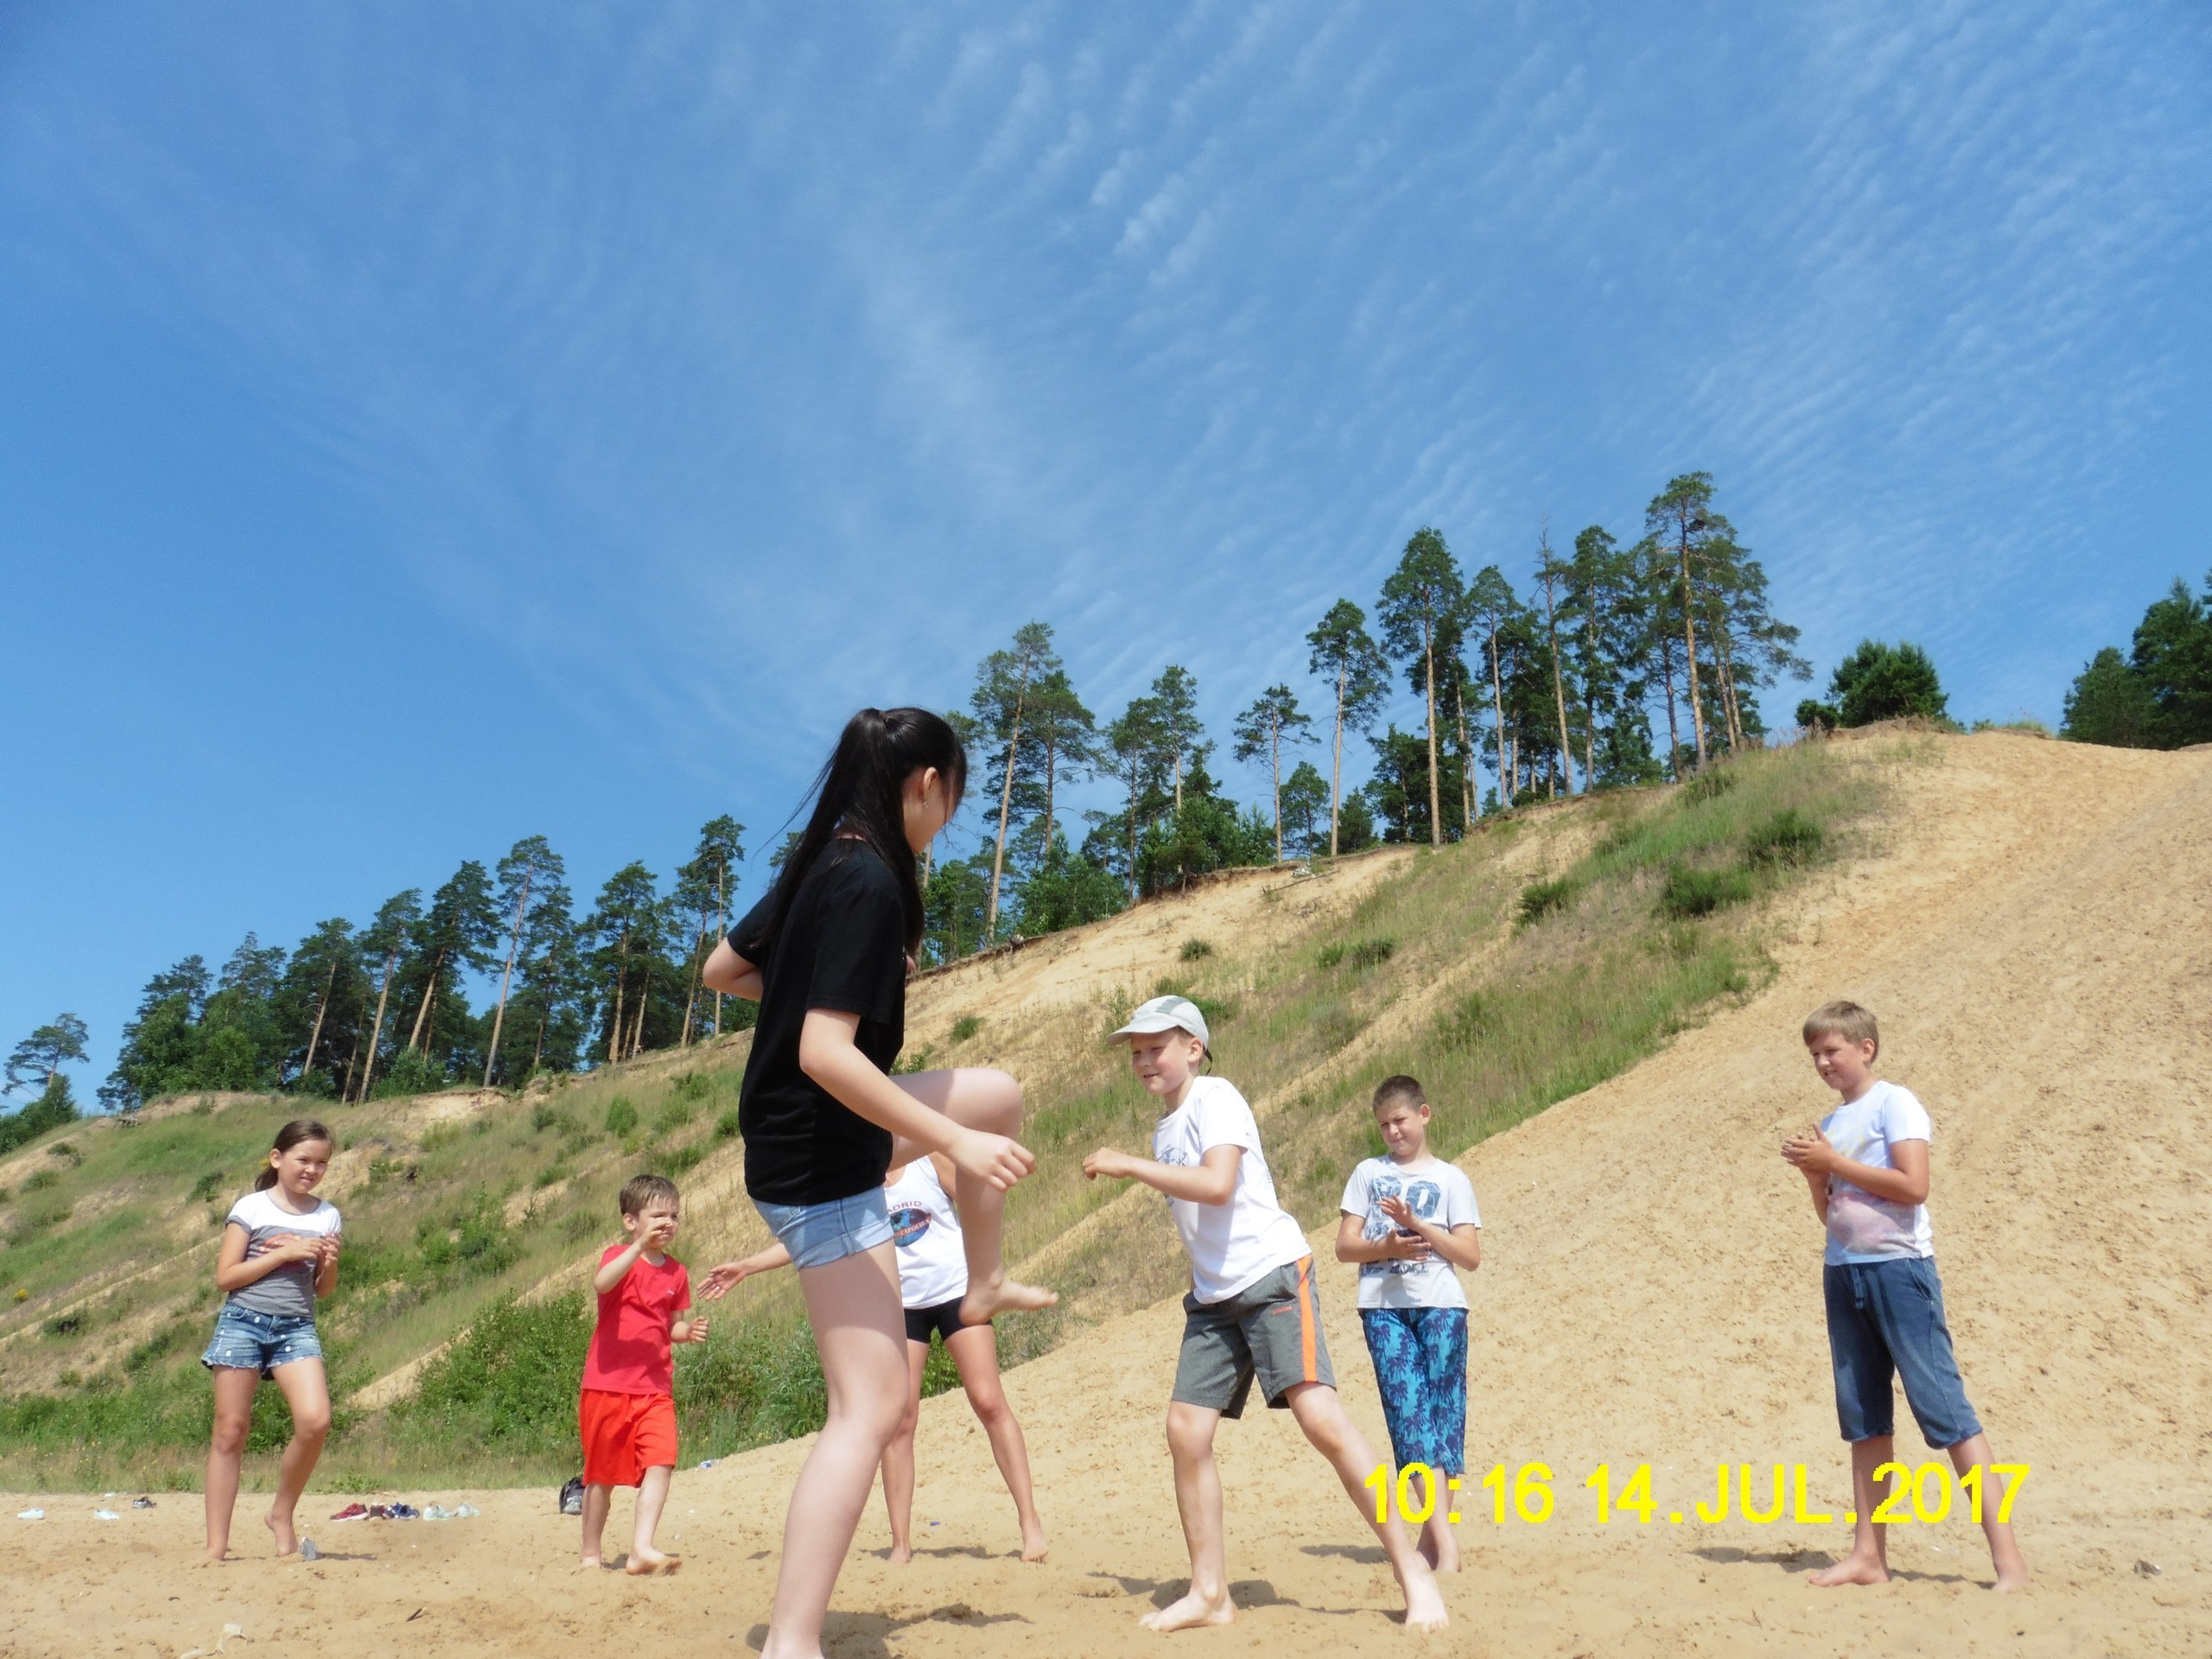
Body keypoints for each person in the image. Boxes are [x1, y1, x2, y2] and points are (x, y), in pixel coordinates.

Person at [697, 706, 1053, 1659]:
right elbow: (823, 1051)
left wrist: (806, 976)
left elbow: (720, 969)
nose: (948, 817)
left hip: (810, 1135)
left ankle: (982, 1284)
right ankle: (792, 1641)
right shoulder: (862, 881)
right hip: (819, 1161)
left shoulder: (823, 863)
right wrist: (948, 1143)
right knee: (872, 1408)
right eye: (954, 798)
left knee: (1001, 1096)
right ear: (925, 782)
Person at [1082, 996, 1448, 1634]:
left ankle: (1414, 1575)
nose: (1142, 1059)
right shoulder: (1165, 1129)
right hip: (1214, 1297)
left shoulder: (1215, 1096)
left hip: (1273, 1275)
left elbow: (1219, 1183)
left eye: (1155, 1046)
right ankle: (1210, 1593)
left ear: (1193, 1048)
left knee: (1321, 1418)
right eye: (1135, 1051)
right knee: (1186, 1432)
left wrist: (1128, 1166)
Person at [1782, 1001, 2030, 1592]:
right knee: (1864, 1419)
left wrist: (1833, 1161)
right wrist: (1817, 1178)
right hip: (1845, 1273)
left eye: (1832, 1051)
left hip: (1900, 1271)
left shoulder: (1896, 1102)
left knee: (1946, 1412)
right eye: (1814, 1054)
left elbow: (1913, 1187)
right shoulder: (1833, 1122)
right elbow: (1834, 1216)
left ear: (1865, 1047)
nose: (1822, 1062)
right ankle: (1869, 1555)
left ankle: (2010, 1565)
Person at [707, 1151, 1051, 1565]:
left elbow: (978, 1203)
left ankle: (1030, 1522)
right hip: (901, 1305)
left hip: (957, 1291)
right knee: (900, 1419)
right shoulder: (856, 1181)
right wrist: (748, 1265)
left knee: (989, 1400)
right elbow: (811, 1235)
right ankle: (901, 1544)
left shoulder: (927, 1159)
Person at [1334, 1074, 1481, 1573]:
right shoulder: (1366, 1173)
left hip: (1442, 1305)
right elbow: (1343, 1246)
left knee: (1443, 1424)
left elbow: (1470, 1255)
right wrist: (1387, 1248)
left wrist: (1418, 1226)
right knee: (1408, 1419)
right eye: (1383, 1126)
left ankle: (1434, 1542)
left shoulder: (1451, 1179)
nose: (1392, 1132)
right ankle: (1446, 1543)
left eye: (1399, 1121)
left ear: (1424, 1114)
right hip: (1382, 1307)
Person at [201, 1118, 342, 1562]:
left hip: (296, 1327)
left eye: (322, 1163)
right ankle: (216, 1546)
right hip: (242, 1322)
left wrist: (331, 1264)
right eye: (304, 1159)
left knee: (315, 1421)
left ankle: (281, 1513)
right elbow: (226, 1277)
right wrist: (282, 1253)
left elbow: (321, 1289)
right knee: (230, 1432)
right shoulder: (252, 1207)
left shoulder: (327, 1215)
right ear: (277, 1158)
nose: (312, 1170)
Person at [579, 1173, 708, 1574]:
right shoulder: (618, 1256)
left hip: (655, 1387)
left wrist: (687, 1332)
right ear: (630, 1220)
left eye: (674, 1215)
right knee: (601, 1476)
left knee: (662, 1459)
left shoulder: (677, 1273)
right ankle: (590, 1555)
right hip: (606, 1385)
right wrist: (637, 1248)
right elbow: (602, 1283)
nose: (667, 1222)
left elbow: (671, 1325)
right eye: (657, 1215)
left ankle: (641, 1547)